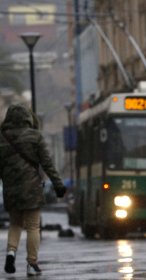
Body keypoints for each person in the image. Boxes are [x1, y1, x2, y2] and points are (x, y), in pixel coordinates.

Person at [0, 104, 66, 277]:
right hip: (31, 189)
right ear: (27, 118)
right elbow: (47, 164)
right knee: (32, 226)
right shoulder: (35, 137)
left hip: (11, 189)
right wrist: (58, 185)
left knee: (15, 224)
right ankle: (32, 264)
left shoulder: (2, 138)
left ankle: (11, 253)